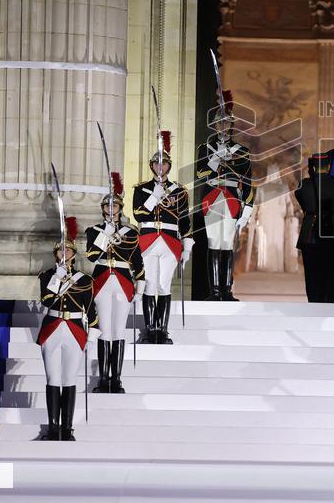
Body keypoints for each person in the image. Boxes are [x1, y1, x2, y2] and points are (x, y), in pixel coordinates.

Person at [36, 221, 98, 441]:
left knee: (69, 378)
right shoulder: (46, 277)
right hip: (52, 328)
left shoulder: (84, 280)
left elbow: (91, 308)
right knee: (53, 377)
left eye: (68, 250)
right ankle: (53, 428)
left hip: (74, 329)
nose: (64, 253)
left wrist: (92, 334)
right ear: (56, 254)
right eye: (61, 250)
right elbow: (46, 301)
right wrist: (57, 279)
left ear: (73, 254)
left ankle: (67, 428)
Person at [85, 175, 142, 393]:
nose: (111, 209)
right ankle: (103, 378)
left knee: (118, 331)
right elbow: (91, 256)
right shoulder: (94, 231)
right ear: (103, 209)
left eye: (115, 205)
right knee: (104, 331)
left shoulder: (131, 232)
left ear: (120, 208)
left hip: (123, 282)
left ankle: (116, 379)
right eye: (107, 205)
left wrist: (141, 285)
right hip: (101, 282)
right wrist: (105, 235)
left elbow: (137, 261)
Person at [196, 91, 254, 302]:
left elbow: (247, 181)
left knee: (227, 243)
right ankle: (215, 292)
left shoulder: (242, 150)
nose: (222, 126)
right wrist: (215, 158)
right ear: (214, 125)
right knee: (213, 242)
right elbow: (200, 173)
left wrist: (248, 208)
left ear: (231, 125)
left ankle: (227, 291)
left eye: (226, 123)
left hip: (231, 196)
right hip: (212, 196)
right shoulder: (206, 148)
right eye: (219, 123)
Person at [133, 136, 191, 343]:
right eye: (156, 163)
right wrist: (153, 196)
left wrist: (188, 246)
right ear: (151, 165)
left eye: (164, 163)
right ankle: (150, 330)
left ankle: (162, 330)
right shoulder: (141, 189)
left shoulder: (180, 191)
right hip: (148, 240)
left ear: (169, 166)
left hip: (170, 241)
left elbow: (185, 220)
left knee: (164, 286)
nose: (160, 166)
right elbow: (139, 215)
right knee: (149, 285)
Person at [294, 152, 334, 303]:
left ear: (313, 168)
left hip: (311, 232)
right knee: (332, 273)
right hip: (333, 232)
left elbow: (302, 202)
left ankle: (314, 303)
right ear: (328, 167)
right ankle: (332, 304)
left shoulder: (305, 185)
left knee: (312, 274)